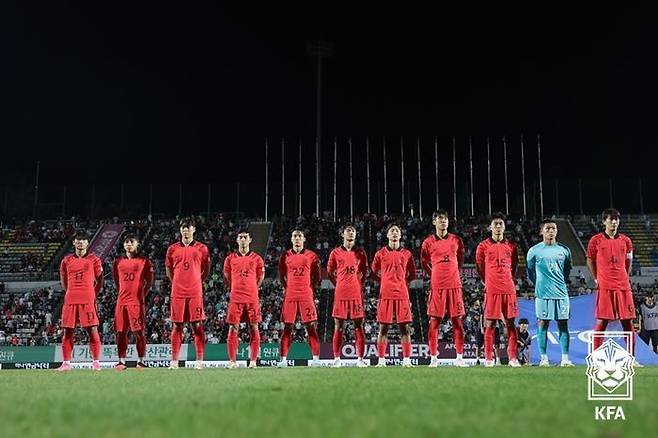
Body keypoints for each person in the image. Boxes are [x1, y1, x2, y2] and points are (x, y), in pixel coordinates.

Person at [587, 208, 642, 366]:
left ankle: (631, 359)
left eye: (616, 219)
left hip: (623, 287)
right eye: (610, 219)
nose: (614, 222)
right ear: (604, 221)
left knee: (627, 322)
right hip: (605, 287)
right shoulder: (595, 240)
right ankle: (596, 358)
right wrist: (597, 278)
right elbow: (590, 259)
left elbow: (628, 261)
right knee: (602, 321)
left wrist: (624, 276)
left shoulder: (626, 241)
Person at [420, 210, 468, 367]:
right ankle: (434, 357)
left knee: (457, 322)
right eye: (440, 219)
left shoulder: (456, 240)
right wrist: (434, 274)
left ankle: (459, 358)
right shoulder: (428, 242)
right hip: (437, 287)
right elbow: (423, 262)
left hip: (454, 286)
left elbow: (460, 259)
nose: (443, 222)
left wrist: (455, 272)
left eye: (445, 219)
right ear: (434, 222)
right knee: (434, 322)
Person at [475, 212, 521, 367]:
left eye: (501, 224)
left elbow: (514, 266)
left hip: (508, 289)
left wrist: (507, 279)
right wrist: (487, 281)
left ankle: (513, 358)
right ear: (490, 227)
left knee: (510, 324)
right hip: (492, 290)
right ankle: (488, 358)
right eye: (495, 224)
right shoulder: (483, 246)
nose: (498, 227)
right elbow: (480, 267)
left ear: (504, 227)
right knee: (490, 324)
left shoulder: (511, 246)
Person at [526, 219, 574, 367]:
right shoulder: (534, 251)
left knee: (563, 324)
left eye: (554, 228)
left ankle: (565, 359)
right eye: (547, 229)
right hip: (542, 293)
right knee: (542, 324)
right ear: (541, 232)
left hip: (561, 293)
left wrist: (558, 282)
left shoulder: (564, 250)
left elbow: (566, 272)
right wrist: (539, 284)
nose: (551, 231)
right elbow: (530, 272)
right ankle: (544, 358)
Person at [165, 218, 210, 370]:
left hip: (195, 292)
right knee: (177, 326)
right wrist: (177, 282)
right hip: (177, 292)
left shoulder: (202, 248)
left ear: (193, 230)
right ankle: (174, 361)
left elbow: (206, 269)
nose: (185, 230)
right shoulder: (172, 249)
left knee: (197, 326)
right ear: (180, 230)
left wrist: (197, 281)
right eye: (183, 227)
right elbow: (169, 270)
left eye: (188, 227)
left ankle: (199, 361)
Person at [56, 231, 104, 371]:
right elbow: (64, 281)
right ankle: (66, 364)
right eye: (78, 240)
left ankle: (96, 363)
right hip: (71, 299)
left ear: (87, 243)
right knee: (68, 332)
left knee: (92, 331)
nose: (80, 242)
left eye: (83, 240)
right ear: (74, 243)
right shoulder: (66, 260)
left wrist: (93, 294)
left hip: (87, 299)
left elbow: (100, 279)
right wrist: (70, 292)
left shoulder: (94, 259)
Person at [371, 223, 417, 367]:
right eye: (392, 231)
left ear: (401, 235)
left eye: (397, 231)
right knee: (383, 328)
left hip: (402, 294)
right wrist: (384, 281)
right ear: (387, 235)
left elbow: (413, 274)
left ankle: (407, 360)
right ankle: (381, 360)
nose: (395, 233)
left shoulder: (407, 254)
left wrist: (402, 283)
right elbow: (372, 273)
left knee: (405, 328)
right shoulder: (380, 254)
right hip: (386, 294)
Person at [277, 229, 322, 367]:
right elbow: (281, 276)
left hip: (305, 295)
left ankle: (315, 360)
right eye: (295, 236)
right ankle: (283, 360)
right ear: (291, 239)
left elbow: (317, 276)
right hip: (290, 295)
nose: (297, 238)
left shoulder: (312, 256)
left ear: (304, 239)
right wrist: (289, 287)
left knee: (311, 327)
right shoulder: (285, 256)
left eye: (299, 236)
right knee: (287, 327)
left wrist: (309, 288)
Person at [327, 224, 369, 367]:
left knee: (359, 326)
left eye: (353, 231)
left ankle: (360, 359)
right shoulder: (335, 253)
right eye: (348, 231)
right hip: (341, 293)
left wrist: (358, 284)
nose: (350, 233)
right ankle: (337, 359)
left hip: (356, 293)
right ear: (342, 235)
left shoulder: (361, 253)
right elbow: (329, 272)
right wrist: (339, 283)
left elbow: (365, 271)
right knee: (338, 326)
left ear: (355, 235)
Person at [224, 229, 265, 369]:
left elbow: (260, 277)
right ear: (237, 240)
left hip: (252, 298)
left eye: (245, 237)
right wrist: (235, 287)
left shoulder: (257, 259)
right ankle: (232, 361)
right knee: (233, 328)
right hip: (236, 297)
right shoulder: (230, 259)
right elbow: (227, 277)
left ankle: (253, 361)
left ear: (250, 240)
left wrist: (252, 288)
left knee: (254, 327)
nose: (242, 239)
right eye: (240, 237)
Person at [112, 234, 154, 370]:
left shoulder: (144, 261)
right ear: (123, 245)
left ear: (137, 245)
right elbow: (116, 281)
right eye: (126, 242)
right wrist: (122, 294)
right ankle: (121, 361)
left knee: (139, 332)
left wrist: (142, 294)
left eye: (132, 242)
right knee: (120, 332)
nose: (129, 244)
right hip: (121, 302)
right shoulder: (117, 262)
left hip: (136, 302)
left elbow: (149, 281)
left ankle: (141, 361)